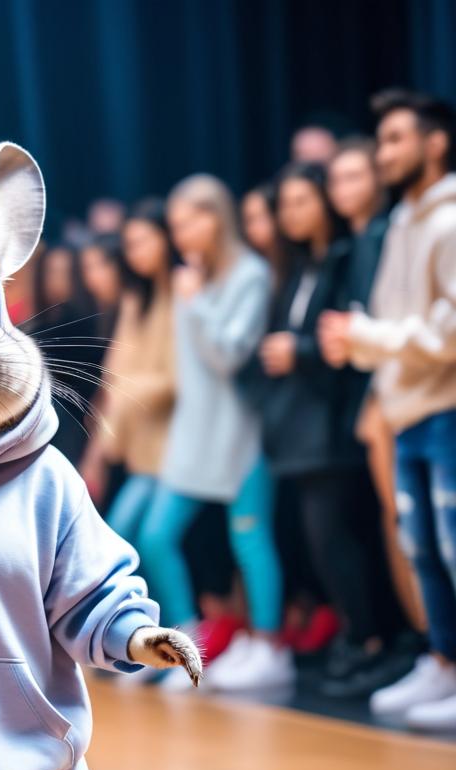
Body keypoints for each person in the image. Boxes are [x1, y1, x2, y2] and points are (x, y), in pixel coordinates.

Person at [319, 89, 456, 729]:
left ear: (435, 143)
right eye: (382, 141)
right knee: (422, 547)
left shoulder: (450, 220)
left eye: (398, 139)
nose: (385, 153)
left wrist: (367, 337)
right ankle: (443, 661)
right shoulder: (402, 222)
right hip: (409, 411)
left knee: (451, 545)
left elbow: (448, 334)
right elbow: (400, 322)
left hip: (447, 407)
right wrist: (359, 338)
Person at [240, 162, 405, 693]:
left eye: (302, 201)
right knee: (324, 543)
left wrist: (302, 351)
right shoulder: (295, 268)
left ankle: (377, 641)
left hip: (335, 427)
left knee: (343, 539)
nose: (291, 213)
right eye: (284, 204)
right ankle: (361, 641)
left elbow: (346, 335)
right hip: (298, 429)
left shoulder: (345, 257)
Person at [136, 175, 288, 690]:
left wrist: (196, 302)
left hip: (239, 433)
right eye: (174, 225)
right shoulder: (192, 275)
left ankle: (269, 647)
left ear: (214, 218)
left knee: (250, 541)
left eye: (187, 222)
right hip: (192, 432)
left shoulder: (250, 274)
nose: (179, 235)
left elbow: (229, 355)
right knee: (156, 537)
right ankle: (185, 645)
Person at [80, 200, 176, 547]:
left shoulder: (181, 290)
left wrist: (121, 395)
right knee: (126, 535)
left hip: (175, 440)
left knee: (149, 540)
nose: (135, 253)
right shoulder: (137, 299)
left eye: (143, 241)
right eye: (130, 245)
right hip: (141, 442)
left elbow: (175, 378)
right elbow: (116, 371)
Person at [29, 243, 97, 463]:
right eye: (51, 272)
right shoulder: (42, 325)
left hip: (74, 433)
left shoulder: (85, 327)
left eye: (65, 273)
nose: (57, 280)